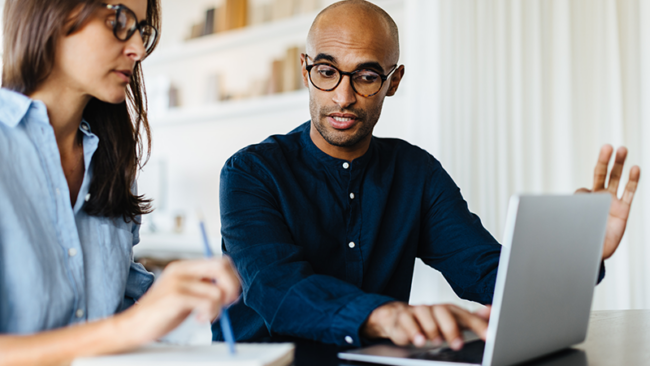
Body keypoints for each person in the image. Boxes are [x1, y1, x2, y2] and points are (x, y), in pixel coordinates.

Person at [216, 0, 641, 350]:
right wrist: (387, 315)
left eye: (366, 76)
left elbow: (484, 270)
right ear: (305, 69)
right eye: (327, 72)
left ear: (393, 81)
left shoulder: (416, 172)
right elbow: (278, 287)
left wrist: (580, 253)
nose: (343, 97)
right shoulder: (250, 172)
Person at [0, 1, 240, 365]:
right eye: (119, 21)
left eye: (142, 30)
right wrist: (132, 326)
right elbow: (123, 327)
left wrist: (176, 295)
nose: (139, 50)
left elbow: (118, 303)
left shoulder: (110, 161)